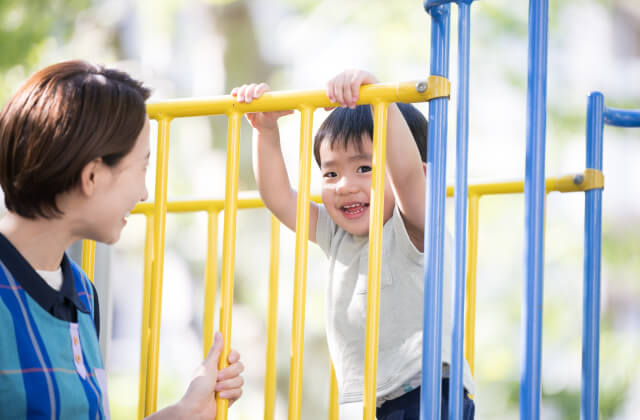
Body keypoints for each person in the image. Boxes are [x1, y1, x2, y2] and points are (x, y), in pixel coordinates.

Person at [0, 60, 244, 419]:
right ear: (93, 176)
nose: (145, 192)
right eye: (142, 167)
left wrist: (183, 412)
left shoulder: (82, 294)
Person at [233, 69, 474, 420]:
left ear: (423, 175)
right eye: (330, 173)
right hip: (375, 402)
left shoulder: (416, 228)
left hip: (428, 394)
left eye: (364, 167)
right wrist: (266, 131)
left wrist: (380, 97)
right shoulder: (338, 235)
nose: (344, 185)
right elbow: (280, 198)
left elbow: (405, 175)